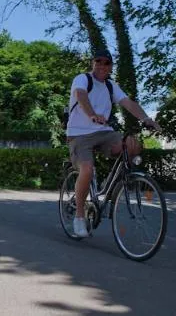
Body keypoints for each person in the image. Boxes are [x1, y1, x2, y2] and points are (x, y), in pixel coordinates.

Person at [66, 49, 161, 238]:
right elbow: (81, 96)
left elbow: (129, 103)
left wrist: (146, 119)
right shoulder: (83, 79)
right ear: (93, 63)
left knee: (132, 145)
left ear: (111, 67)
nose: (102, 65)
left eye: (106, 63)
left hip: (104, 132)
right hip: (79, 134)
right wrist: (92, 114)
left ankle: (116, 185)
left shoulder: (111, 86)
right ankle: (79, 217)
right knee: (87, 169)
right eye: (98, 61)